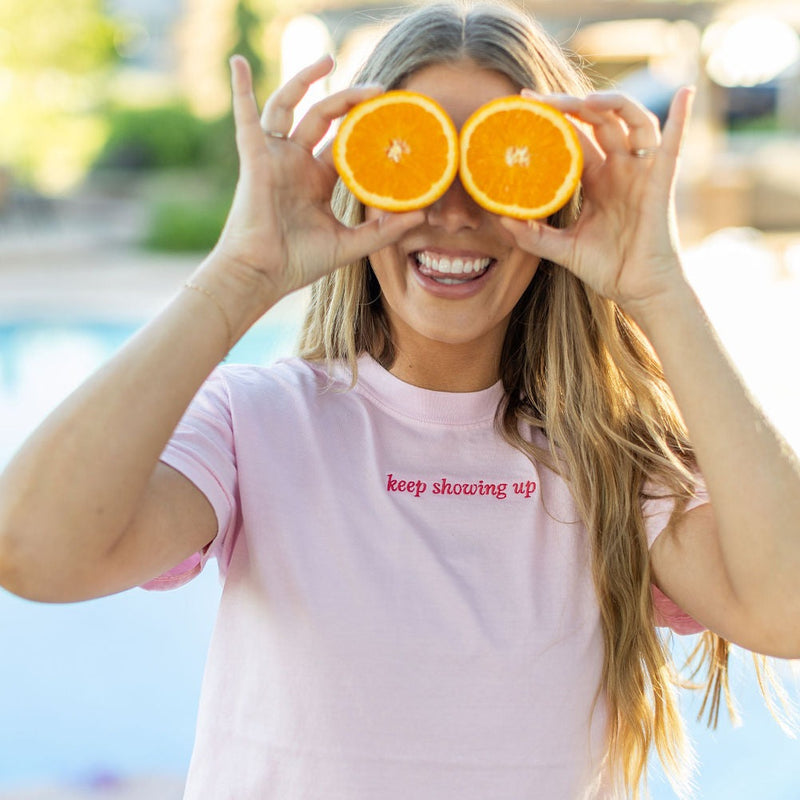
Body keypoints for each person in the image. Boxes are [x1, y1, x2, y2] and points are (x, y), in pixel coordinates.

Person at [0, 2, 798, 798]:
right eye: (415, 159)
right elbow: (32, 550)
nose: (453, 213)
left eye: (497, 161)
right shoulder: (254, 424)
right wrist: (237, 277)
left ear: (556, 193)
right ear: (360, 179)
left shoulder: (615, 468)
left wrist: (661, 291)